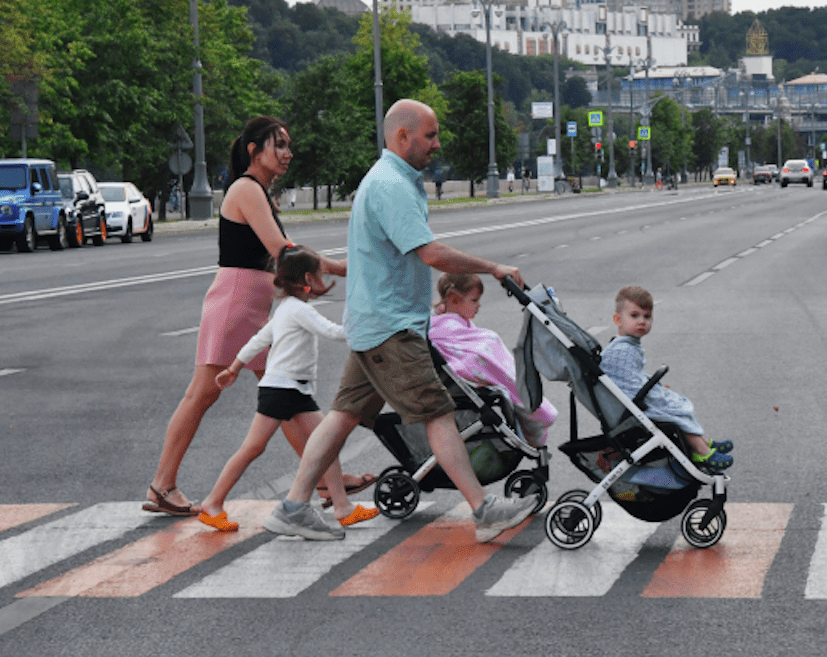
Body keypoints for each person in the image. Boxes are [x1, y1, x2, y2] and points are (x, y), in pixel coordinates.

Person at [264, 99, 538, 542]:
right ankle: (484, 510)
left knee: (342, 417)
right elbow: (430, 253)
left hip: (374, 324)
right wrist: (493, 267)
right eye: (430, 135)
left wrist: (332, 268)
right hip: (390, 328)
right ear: (402, 136)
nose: (437, 143)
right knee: (438, 413)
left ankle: (293, 507)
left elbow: (374, 257)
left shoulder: (387, 180)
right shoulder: (391, 185)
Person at [143, 117, 356, 517]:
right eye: (279, 145)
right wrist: (340, 268)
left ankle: (329, 481)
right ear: (255, 150)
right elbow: (283, 251)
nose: (287, 153)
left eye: (288, 145)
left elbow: (285, 251)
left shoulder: (259, 192)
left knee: (284, 394)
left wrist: (329, 269)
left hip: (250, 304)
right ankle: (162, 485)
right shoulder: (246, 189)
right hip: (236, 303)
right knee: (205, 394)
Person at [199, 245, 379, 532]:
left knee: (327, 443)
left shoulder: (285, 309)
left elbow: (258, 340)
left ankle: (343, 507)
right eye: (320, 274)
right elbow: (333, 332)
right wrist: (367, 326)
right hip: (282, 390)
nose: (322, 280)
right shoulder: (299, 310)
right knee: (254, 448)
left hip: (293, 390)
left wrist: (234, 367)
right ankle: (212, 502)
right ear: (307, 278)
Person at [599, 286, 734, 471]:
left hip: (631, 404)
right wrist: (656, 395)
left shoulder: (627, 345)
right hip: (630, 410)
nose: (642, 321)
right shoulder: (621, 351)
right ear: (618, 320)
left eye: (647, 316)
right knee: (673, 410)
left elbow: (633, 378)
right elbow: (629, 386)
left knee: (672, 401)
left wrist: (657, 390)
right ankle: (701, 451)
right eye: (634, 315)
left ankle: (702, 442)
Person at [429, 273, 557, 447]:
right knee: (493, 348)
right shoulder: (445, 327)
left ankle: (531, 414)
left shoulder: (441, 320)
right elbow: (469, 353)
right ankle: (534, 413)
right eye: (474, 300)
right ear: (454, 299)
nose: (479, 305)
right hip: (472, 370)